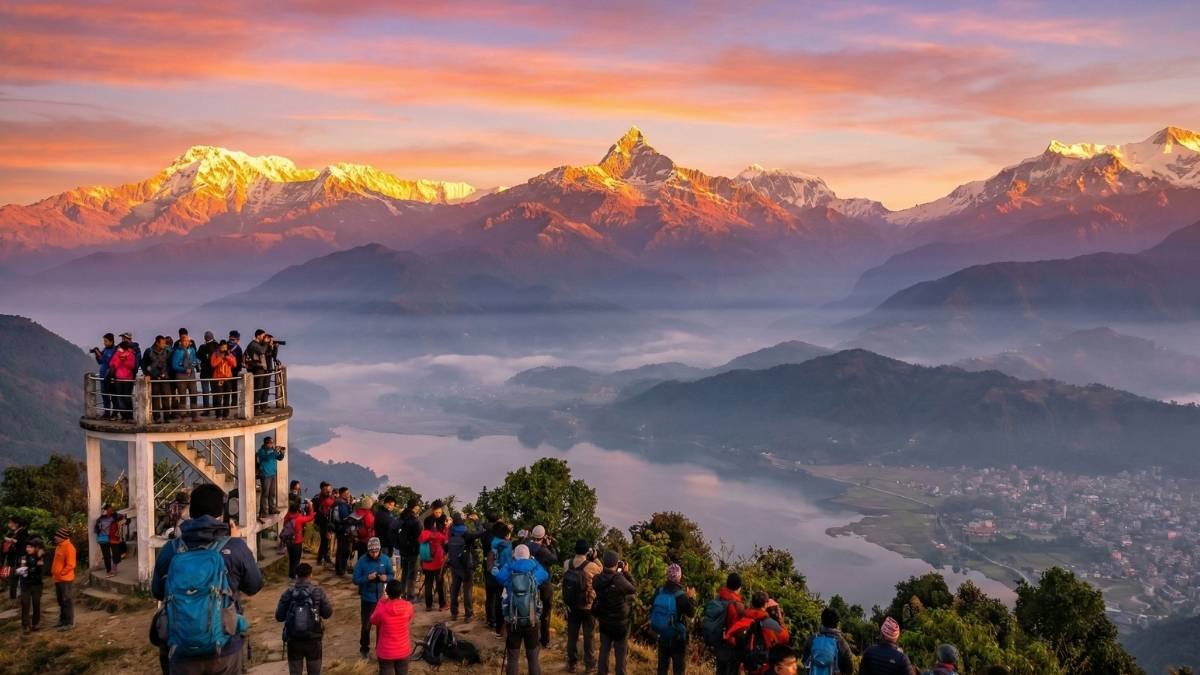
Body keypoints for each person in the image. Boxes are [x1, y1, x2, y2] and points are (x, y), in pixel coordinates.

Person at [151, 482, 264, 674]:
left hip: (181, 648)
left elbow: (158, 591)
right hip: (225, 648)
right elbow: (254, 586)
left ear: (191, 512)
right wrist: (236, 542)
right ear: (222, 514)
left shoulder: (170, 549)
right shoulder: (235, 548)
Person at [494, 544, 549, 675]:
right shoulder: (534, 571)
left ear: (515, 555)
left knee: (513, 657)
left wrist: (511, 561)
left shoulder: (509, 570)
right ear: (528, 555)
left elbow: (499, 577)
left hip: (513, 620)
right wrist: (532, 559)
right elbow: (545, 574)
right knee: (533, 657)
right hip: (532, 620)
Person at [275, 562, 333, 675]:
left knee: (295, 672)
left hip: (294, 640)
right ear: (311, 575)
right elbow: (328, 613)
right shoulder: (318, 592)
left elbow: (279, 617)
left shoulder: (288, 593)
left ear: (296, 576)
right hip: (314, 639)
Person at [593, 551, 636, 675]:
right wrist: (626, 572)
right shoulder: (619, 579)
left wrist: (615, 572)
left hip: (604, 621)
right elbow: (633, 588)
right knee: (620, 653)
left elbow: (604, 578)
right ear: (616, 564)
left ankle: (602, 672)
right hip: (619, 623)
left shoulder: (597, 579)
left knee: (604, 650)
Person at [726, 592, 790, 674]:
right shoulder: (770, 623)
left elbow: (729, 636)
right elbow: (785, 638)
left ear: (752, 603)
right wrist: (781, 621)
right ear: (766, 604)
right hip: (762, 666)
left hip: (744, 665)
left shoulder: (743, 618)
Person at [563, 540, 602, 673]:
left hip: (572, 605)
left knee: (572, 636)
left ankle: (572, 663)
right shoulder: (591, 566)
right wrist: (595, 558)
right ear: (587, 551)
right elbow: (602, 571)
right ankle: (590, 665)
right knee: (588, 636)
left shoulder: (567, 563)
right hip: (587, 606)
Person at [651, 564, 696, 675]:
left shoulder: (659, 591)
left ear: (667, 576)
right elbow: (691, 613)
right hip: (677, 638)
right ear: (679, 577)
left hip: (662, 634)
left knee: (662, 668)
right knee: (678, 669)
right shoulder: (681, 596)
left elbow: (652, 604)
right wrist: (691, 598)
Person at [353, 537, 394, 660]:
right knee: (366, 625)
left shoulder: (386, 560)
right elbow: (355, 579)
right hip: (367, 599)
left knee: (381, 627)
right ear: (368, 550)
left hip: (382, 598)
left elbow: (392, 575)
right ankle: (364, 649)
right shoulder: (362, 561)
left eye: (376, 551)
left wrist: (386, 578)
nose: (374, 554)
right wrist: (367, 578)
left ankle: (380, 649)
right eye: (372, 552)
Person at [371, 579, 415, 675]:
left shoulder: (382, 608)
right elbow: (409, 618)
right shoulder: (409, 606)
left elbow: (373, 620)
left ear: (386, 592)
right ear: (401, 592)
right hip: (403, 650)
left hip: (386, 652)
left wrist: (381, 602)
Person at [526, 525, 558, 647]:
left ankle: (530, 637)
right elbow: (554, 559)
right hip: (544, 583)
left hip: (529, 580)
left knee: (531, 609)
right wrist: (550, 545)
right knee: (545, 612)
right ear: (543, 537)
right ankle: (544, 640)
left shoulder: (527, 546)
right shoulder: (543, 550)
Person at [447, 512, 482, 621]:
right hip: (466, 566)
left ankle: (454, 613)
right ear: (462, 521)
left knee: (455, 589)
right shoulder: (466, 533)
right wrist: (476, 520)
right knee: (467, 590)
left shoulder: (451, 531)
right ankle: (468, 614)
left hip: (454, 565)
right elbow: (481, 532)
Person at [710, 572, 746, 675]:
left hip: (718, 643)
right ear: (739, 587)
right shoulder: (737, 606)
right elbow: (739, 630)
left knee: (720, 670)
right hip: (731, 646)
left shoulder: (718, 598)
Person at [801, 607, 855, 675]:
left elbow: (804, 661)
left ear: (822, 621)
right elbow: (850, 669)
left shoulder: (812, 639)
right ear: (837, 624)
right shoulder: (842, 643)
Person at [487, 521, 514, 638]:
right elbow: (507, 563)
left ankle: (497, 629)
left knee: (496, 601)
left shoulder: (494, 542)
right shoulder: (507, 545)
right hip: (503, 576)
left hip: (492, 575)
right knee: (503, 602)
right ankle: (503, 630)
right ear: (505, 535)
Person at [418, 514, 448, 611]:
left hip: (426, 563)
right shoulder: (436, 535)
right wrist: (446, 527)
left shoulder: (422, 534)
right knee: (439, 583)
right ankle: (442, 604)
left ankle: (428, 605)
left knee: (428, 583)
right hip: (437, 563)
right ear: (433, 524)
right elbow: (445, 539)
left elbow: (420, 541)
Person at [479, 513, 504, 633]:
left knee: (489, 594)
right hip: (497, 566)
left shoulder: (484, 534)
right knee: (498, 594)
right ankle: (497, 621)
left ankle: (490, 619)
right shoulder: (498, 536)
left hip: (487, 565)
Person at [170, 328, 200, 421]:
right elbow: (174, 365)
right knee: (182, 396)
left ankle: (194, 415)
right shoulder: (177, 351)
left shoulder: (192, 350)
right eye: (185, 341)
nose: (187, 342)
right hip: (181, 376)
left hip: (191, 376)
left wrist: (196, 363)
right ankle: (182, 415)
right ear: (181, 342)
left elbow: (194, 359)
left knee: (194, 394)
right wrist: (183, 369)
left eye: (188, 341)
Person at [16, 537, 45, 633]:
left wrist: (38, 560)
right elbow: (21, 569)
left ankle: (35, 623)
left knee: (36, 603)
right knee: (25, 604)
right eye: (27, 547)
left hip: (37, 584)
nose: (28, 549)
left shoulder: (40, 556)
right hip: (25, 585)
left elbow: (40, 569)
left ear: (35, 548)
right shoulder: (23, 557)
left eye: (31, 547)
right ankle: (25, 626)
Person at [142, 335, 171, 423]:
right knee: (155, 398)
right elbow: (144, 364)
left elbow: (169, 362)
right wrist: (147, 374)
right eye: (162, 343)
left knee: (166, 397)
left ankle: (166, 417)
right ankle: (157, 417)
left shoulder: (166, 351)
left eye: (165, 343)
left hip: (164, 377)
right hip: (154, 377)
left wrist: (166, 373)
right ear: (157, 343)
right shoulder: (149, 351)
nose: (164, 345)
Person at [51, 527, 76, 631]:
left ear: (62, 537)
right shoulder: (58, 547)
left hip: (65, 579)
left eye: (57, 536)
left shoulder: (69, 547)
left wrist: (61, 573)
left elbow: (71, 565)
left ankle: (69, 623)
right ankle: (62, 621)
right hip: (57, 579)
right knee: (61, 601)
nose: (55, 537)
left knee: (67, 600)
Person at [283, 502, 316, 579]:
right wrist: (311, 505)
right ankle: (294, 576)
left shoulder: (287, 517)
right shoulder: (299, 519)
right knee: (296, 560)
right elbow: (311, 517)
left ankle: (290, 575)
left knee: (291, 559)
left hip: (289, 541)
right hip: (297, 542)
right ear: (298, 510)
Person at [397, 498, 422, 599]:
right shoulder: (414, 520)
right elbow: (419, 536)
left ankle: (402, 592)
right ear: (415, 507)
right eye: (418, 506)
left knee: (405, 571)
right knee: (412, 573)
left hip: (403, 549)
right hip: (413, 550)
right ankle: (410, 595)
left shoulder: (402, 517)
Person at [256, 437, 285, 518]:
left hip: (272, 474)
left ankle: (272, 509)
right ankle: (263, 512)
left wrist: (282, 452)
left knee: (272, 493)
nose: (272, 444)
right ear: (266, 443)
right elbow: (267, 458)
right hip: (265, 474)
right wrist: (274, 451)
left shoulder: (272, 450)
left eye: (272, 442)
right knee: (265, 493)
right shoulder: (261, 451)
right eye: (270, 443)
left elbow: (280, 458)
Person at [109, 340, 138, 420]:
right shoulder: (117, 354)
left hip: (127, 379)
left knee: (127, 397)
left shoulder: (131, 354)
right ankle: (124, 415)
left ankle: (130, 415)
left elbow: (131, 366)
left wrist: (124, 359)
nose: (119, 348)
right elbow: (112, 363)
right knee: (120, 398)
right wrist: (120, 358)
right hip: (118, 379)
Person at [93, 505, 125, 577]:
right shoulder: (99, 519)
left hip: (112, 538)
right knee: (106, 555)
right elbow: (96, 530)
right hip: (103, 539)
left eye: (111, 510)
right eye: (108, 510)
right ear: (104, 510)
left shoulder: (114, 516)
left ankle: (114, 569)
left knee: (115, 553)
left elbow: (124, 517)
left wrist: (119, 522)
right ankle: (109, 570)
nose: (110, 511)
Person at [209, 340, 237, 419]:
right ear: (219, 347)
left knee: (227, 397)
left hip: (227, 378)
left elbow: (234, 364)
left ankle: (226, 414)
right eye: (222, 347)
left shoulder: (230, 354)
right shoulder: (215, 354)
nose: (224, 349)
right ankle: (218, 415)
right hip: (218, 378)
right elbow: (213, 364)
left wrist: (227, 357)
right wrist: (221, 357)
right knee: (218, 397)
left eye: (225, 347)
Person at [245, 329, 270, 413]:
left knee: (261, 389)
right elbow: (262, 351)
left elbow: (265, 352)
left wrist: (271, 346)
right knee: (258, 389)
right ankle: (255, 409)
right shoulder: (253, 345)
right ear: (258, 336)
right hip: (257, 369)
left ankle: (258, 408)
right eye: (263, 336)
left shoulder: (258, 344)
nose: (264, 338)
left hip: (260, 369)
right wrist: (266, 343)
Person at [91, 333, 116, 418]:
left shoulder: (114, 350)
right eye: (104, 341)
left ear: (111, 341)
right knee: (104, 395)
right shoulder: (105, 350)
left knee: (113, 396)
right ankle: (107, 412)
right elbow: (100, 362)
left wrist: (98, 353)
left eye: (106, 341)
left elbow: (109, 361)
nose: (104, 343)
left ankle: (114, 413)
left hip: (110, 376)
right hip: (102, 376)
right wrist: (96, 353)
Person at [312, 483, 336, 567]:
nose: (328, 491)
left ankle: (324, 558)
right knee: (324, 541)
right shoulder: (317, 498)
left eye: (329, 489)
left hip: (330, 523)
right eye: (326, 490)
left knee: (326, 541)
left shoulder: (331, 497)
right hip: (321, 522)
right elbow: (314, 510)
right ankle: (322, 558)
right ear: (321, 489)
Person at [3, 517, 27, 600]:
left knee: (22, 576)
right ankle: (13, 597)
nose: (9, 524)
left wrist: (11, 540)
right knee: (12, 577)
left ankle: (22, 595)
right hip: (12, 559)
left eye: (11, 522)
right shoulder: (11, 532)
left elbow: (22, 543)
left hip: (21, 557)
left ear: (16, 523)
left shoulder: (23, 531)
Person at [332, 488, 354, 576]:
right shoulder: (341, 504)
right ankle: (341, 570)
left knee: (341, 550)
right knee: (343, 550)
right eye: (347, 493)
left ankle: (340, 568)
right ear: (342, 494)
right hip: (343, 530)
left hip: (340, 529)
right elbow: (345, 518)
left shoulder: (338, 503)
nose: (349, 494)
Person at [196, 331, 218, 415]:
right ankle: (217, 409)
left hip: (205, 371)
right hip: (214, 372)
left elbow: (198, 355)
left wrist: (205, 357)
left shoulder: (202, 347)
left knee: (205, 391)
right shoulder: (217, 346)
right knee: (215, 391)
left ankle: (206, 410)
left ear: (205, 338)